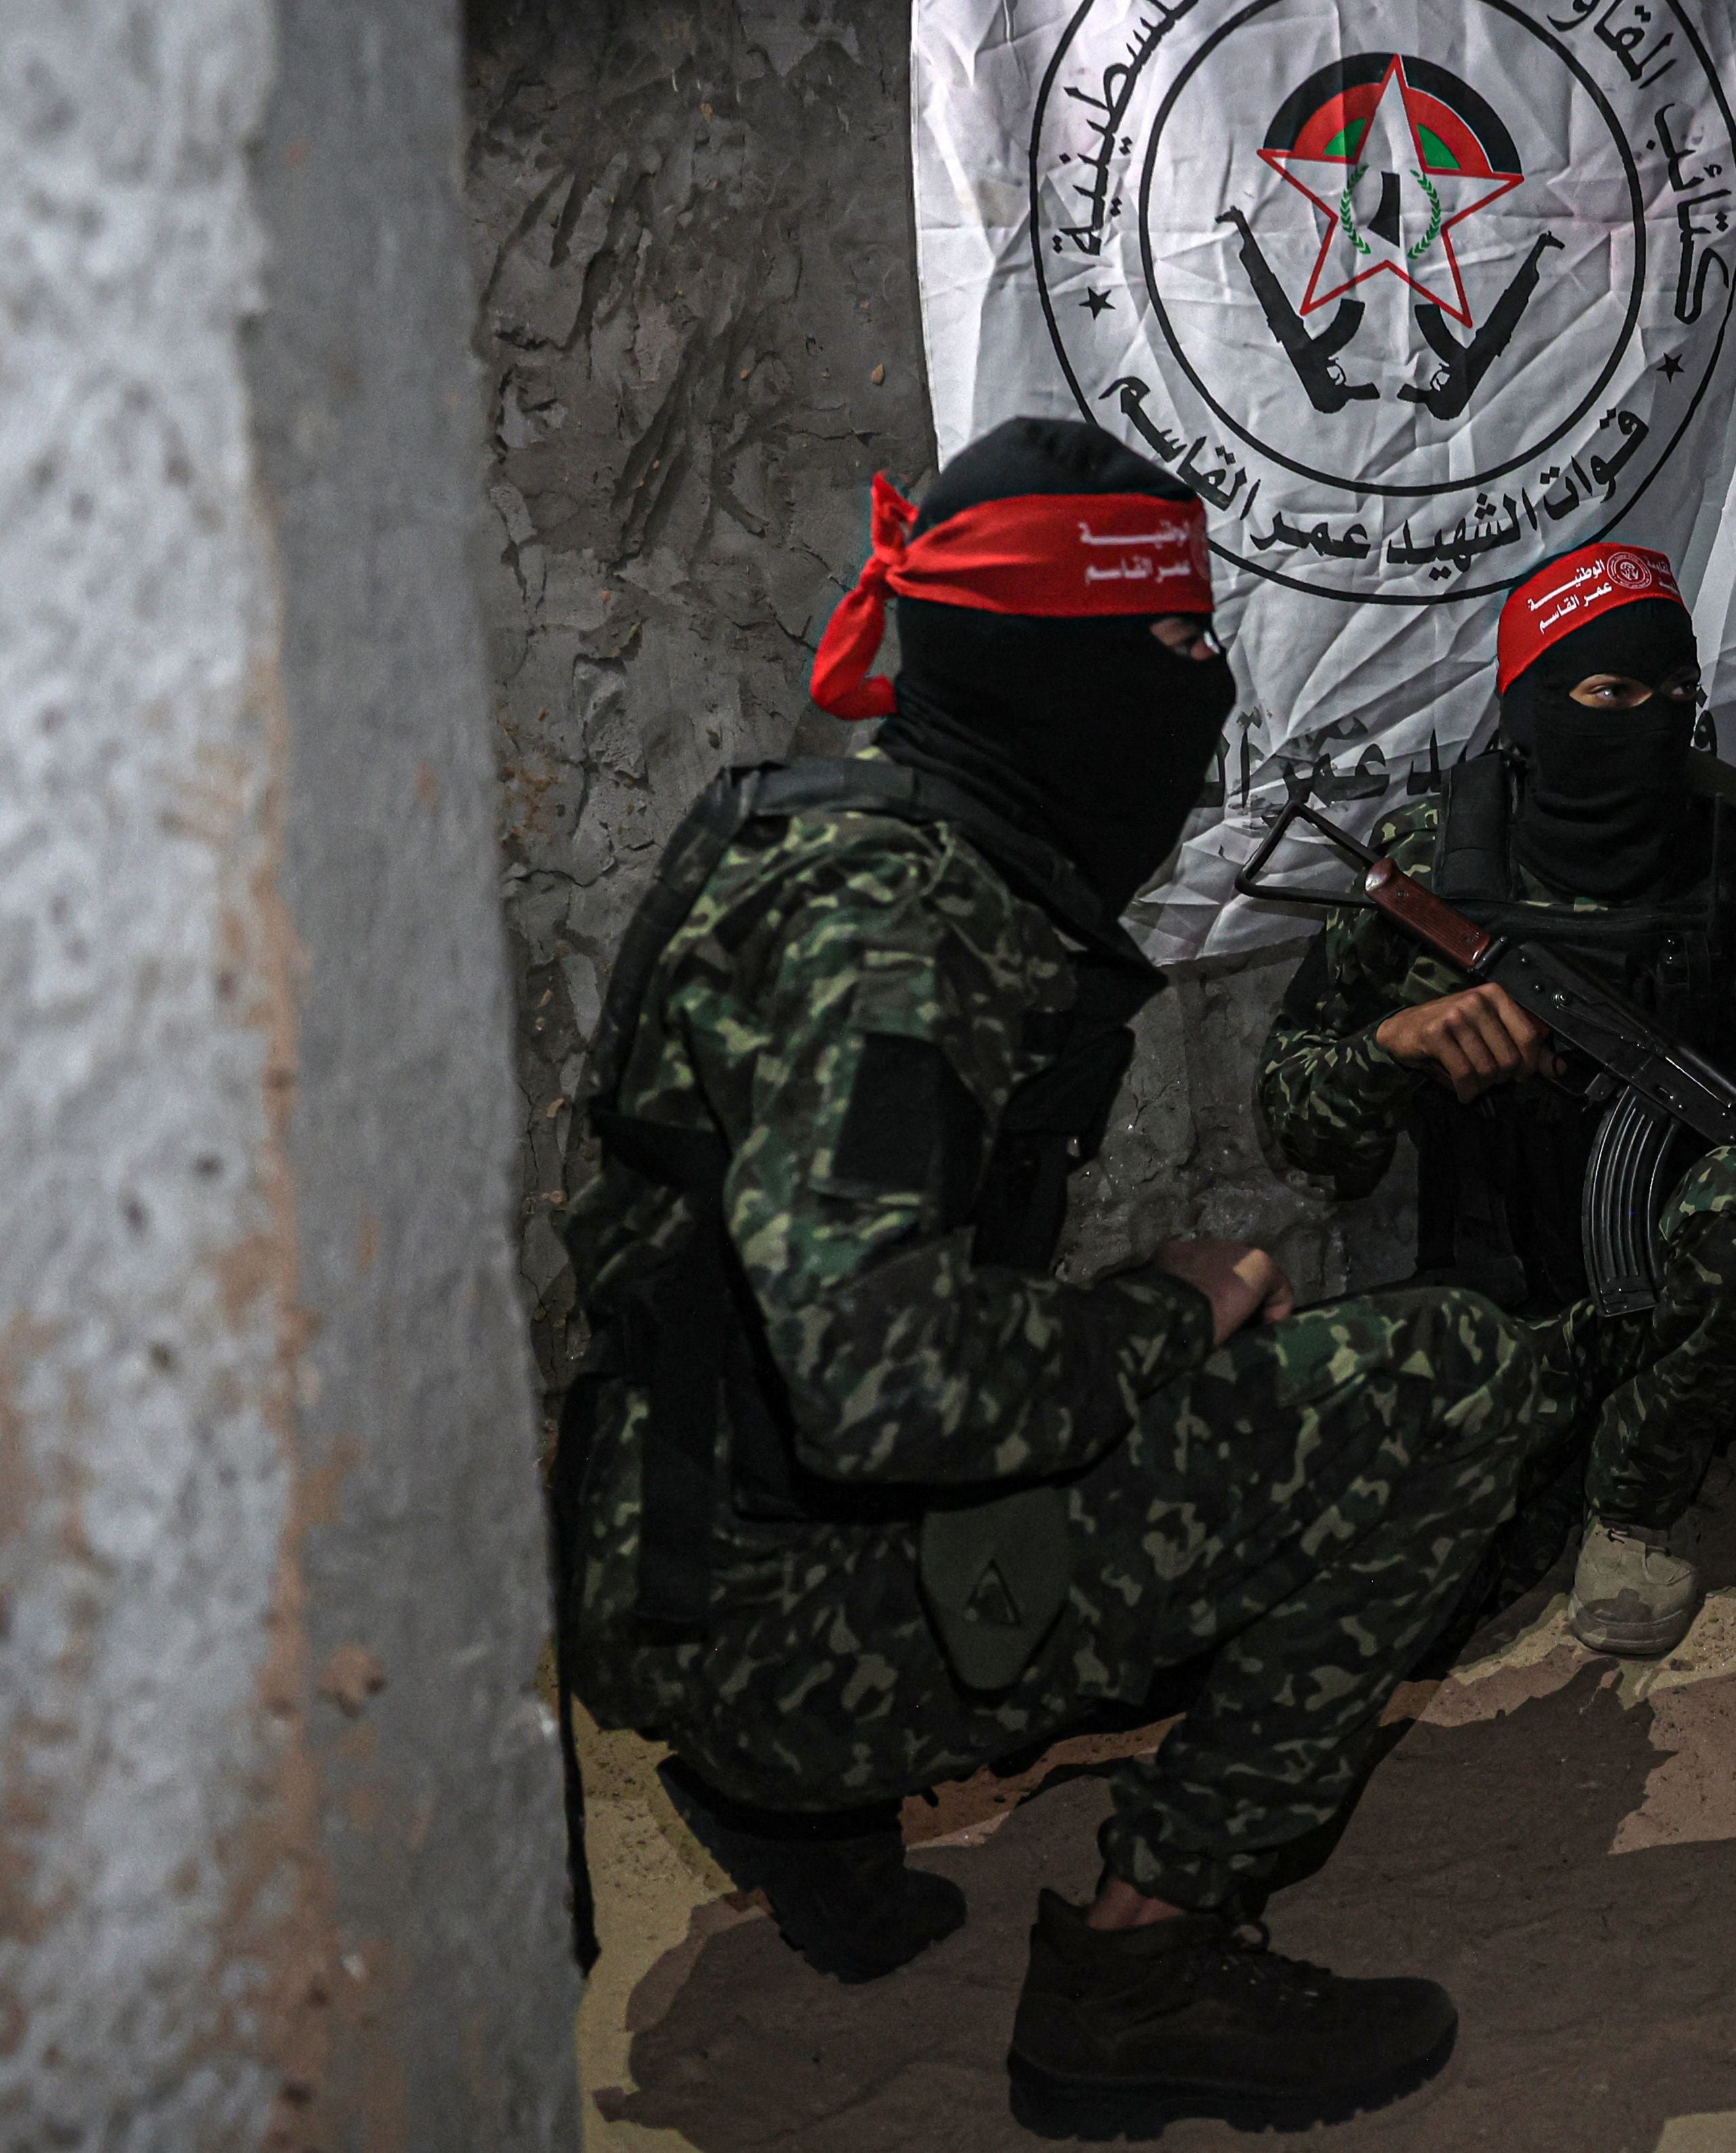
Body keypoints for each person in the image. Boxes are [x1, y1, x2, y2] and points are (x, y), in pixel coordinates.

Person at [553, 418, 1566, 2140]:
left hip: (667, 1540)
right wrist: (1180, 1307)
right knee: (1453, 1374)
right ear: (1057, 667)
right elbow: (887, 1388)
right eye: (1176, 645)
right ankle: (1142, 1960)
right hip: (771, 1620)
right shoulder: (900, 928)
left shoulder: (839, 843)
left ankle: (799, 1816)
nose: (1208, 683)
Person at [1258, 542, 1736, 1657]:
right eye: (1610, 692)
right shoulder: (1432, 870)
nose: (1650, 719)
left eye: (1674, 693)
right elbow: (1296, 1123)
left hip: (1711, 1314)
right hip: (1500, 1316)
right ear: (1531, 705)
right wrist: (1391, 1050)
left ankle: (1633, 1499)